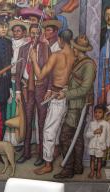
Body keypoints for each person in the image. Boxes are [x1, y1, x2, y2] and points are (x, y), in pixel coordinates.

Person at [30, 29, 75, 175]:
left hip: (58, 96)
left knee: (49, 131)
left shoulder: (57, 55)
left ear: (61, 40)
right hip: (71, 97)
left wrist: (33, 59)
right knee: (62, 131)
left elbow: (40, 75)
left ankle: (48, 164)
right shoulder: (76, 55)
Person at [54, 34, 96, 179]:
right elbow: (75, 83)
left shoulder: (88, 64)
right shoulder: (79, 62)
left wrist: (66, 94)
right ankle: (77, 167)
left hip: (79, 106)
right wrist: (66, 90)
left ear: (77, 49)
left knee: (65, 136)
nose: (73, 49)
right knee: (77, 138)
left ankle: (68, 169)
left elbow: (84, 89)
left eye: (74, 47)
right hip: (75, 104)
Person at [15, 23, 51, 166]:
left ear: (40, 35)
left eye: (37, 33)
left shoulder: (45, 48)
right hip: (26, 89)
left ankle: (41, 154)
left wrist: (49, 89)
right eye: (32, 33)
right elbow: (18, 71)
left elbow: (50, 71)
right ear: (29, 34)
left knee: (41, 122)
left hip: (41, 88)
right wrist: (17, 90)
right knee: (27, 121)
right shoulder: (24, 49)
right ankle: (26, 152)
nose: (34, 36)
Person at [86, 104, 110, 179]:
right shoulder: (91, 123)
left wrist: (107, 145)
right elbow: (87, 134)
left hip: (101, 146)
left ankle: (99, 172)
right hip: (92, 145)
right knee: (92, 159)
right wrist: (94, 132)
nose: (97, 114)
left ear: (103, 113)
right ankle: (92, 171)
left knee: (99, 160)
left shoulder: (106, 124)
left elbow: (108, 136)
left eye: (100, 112)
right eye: (96, 112)